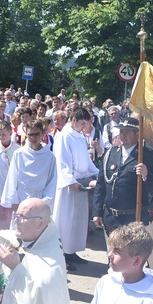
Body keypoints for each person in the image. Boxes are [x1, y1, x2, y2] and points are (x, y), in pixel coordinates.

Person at [93, 117, 153, 239]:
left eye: (127, 132)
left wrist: (146, 175)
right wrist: (97, 212)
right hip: (111, 218)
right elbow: (101, 185)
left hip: (133, 219)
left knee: (130, 256)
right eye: (121, 131)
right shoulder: (110, 154)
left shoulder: (146, 156)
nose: (123, 135)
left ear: (137, 134)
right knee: (113, 256)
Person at [84, 222, 153, 304]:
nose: (109, 255)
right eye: (111, 249)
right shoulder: (106, 282)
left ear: (136, 260)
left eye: (116, 251)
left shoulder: (149, 303)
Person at [52, 106, 100, 266]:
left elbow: (86, 161)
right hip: (68, 185)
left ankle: (71, 251)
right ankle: (61, 254)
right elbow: (62, 161)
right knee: (65, 220)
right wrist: (70, 182)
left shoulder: (79, 137)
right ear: (73, 120)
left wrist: (98, 173)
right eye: (82, 124)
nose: (84, 127)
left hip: (81, 181)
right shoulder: (64, 136)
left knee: (77, 221)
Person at [1, 119, 58, 210]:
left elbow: (52, 181)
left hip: (41, 198)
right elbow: (12, 178)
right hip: (22, 198)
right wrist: (14, 201)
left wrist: (45, 201)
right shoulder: (19, 154)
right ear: (26, 135)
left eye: (37, 134)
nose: (33, 138)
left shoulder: (50, 156)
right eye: (30, 134)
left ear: (42, 134)